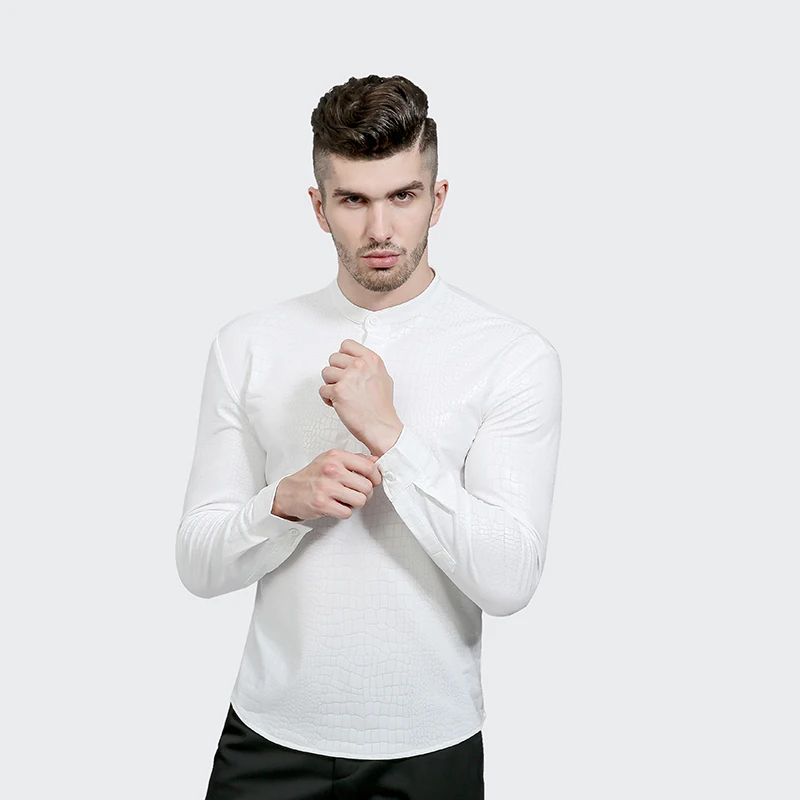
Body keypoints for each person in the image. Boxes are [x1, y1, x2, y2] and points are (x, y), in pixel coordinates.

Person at [176, 73, 563, 800]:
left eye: (402, 196)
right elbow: (197, 564)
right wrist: (283, 502)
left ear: (437, 200)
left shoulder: (512, 356)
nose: (380, 229)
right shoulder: (247, 344)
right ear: (319, 207)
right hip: (267, 736)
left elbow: (510, 581)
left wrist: (391, 435)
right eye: (354, 200)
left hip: (430, 744)